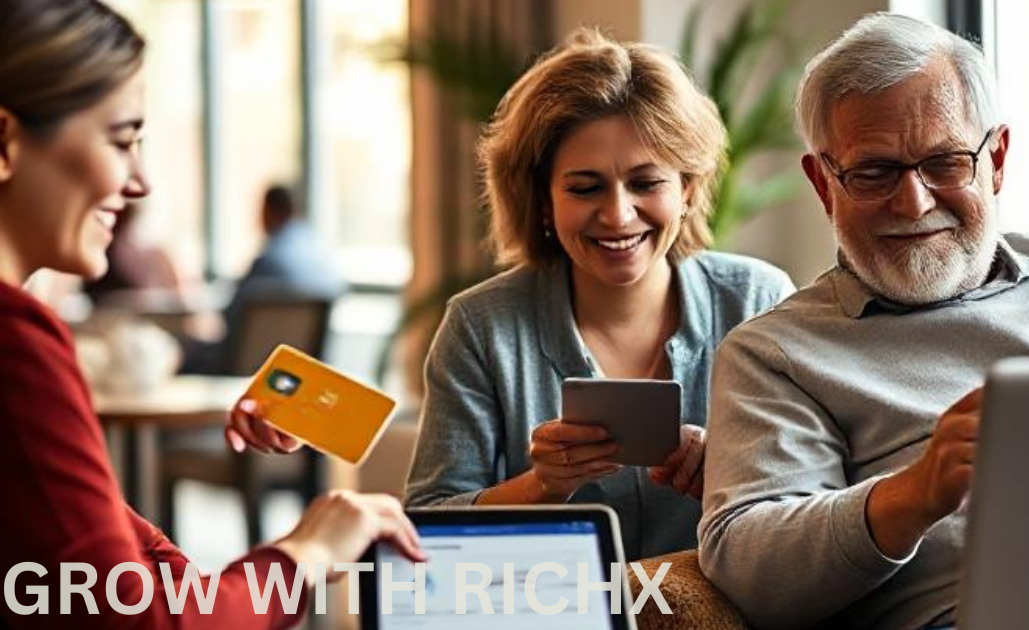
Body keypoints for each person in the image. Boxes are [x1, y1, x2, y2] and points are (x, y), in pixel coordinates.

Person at [697, 12, 1029, 630]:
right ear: (824, 184)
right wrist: (913, 494)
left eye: (945, 162)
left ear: (997, 159)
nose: (914, 203)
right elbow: (748, 568)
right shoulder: (776, 354)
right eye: (873, 172)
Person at [228, 28, 794, 560]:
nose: (619, 214)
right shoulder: (481, 326)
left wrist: (729, 472)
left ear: (688, 190)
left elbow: (816, 494)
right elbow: (427, 524)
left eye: (646, 183)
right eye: (585, 187)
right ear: (542, 200)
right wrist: (542, 485)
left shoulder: (757, 301)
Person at [0, 2, 422, 628]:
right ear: (5, 142)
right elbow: (147, 619)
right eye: (121, 141)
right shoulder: (16, 342)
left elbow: (125, 576)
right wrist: (305, 554)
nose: (140, 182)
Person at [181, 183, 344, 374]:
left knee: (186, 355)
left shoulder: (268, 261)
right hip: (306, 370)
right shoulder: (322, 255)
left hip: (252, 368)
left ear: (269, 211)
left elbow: (230, 317)